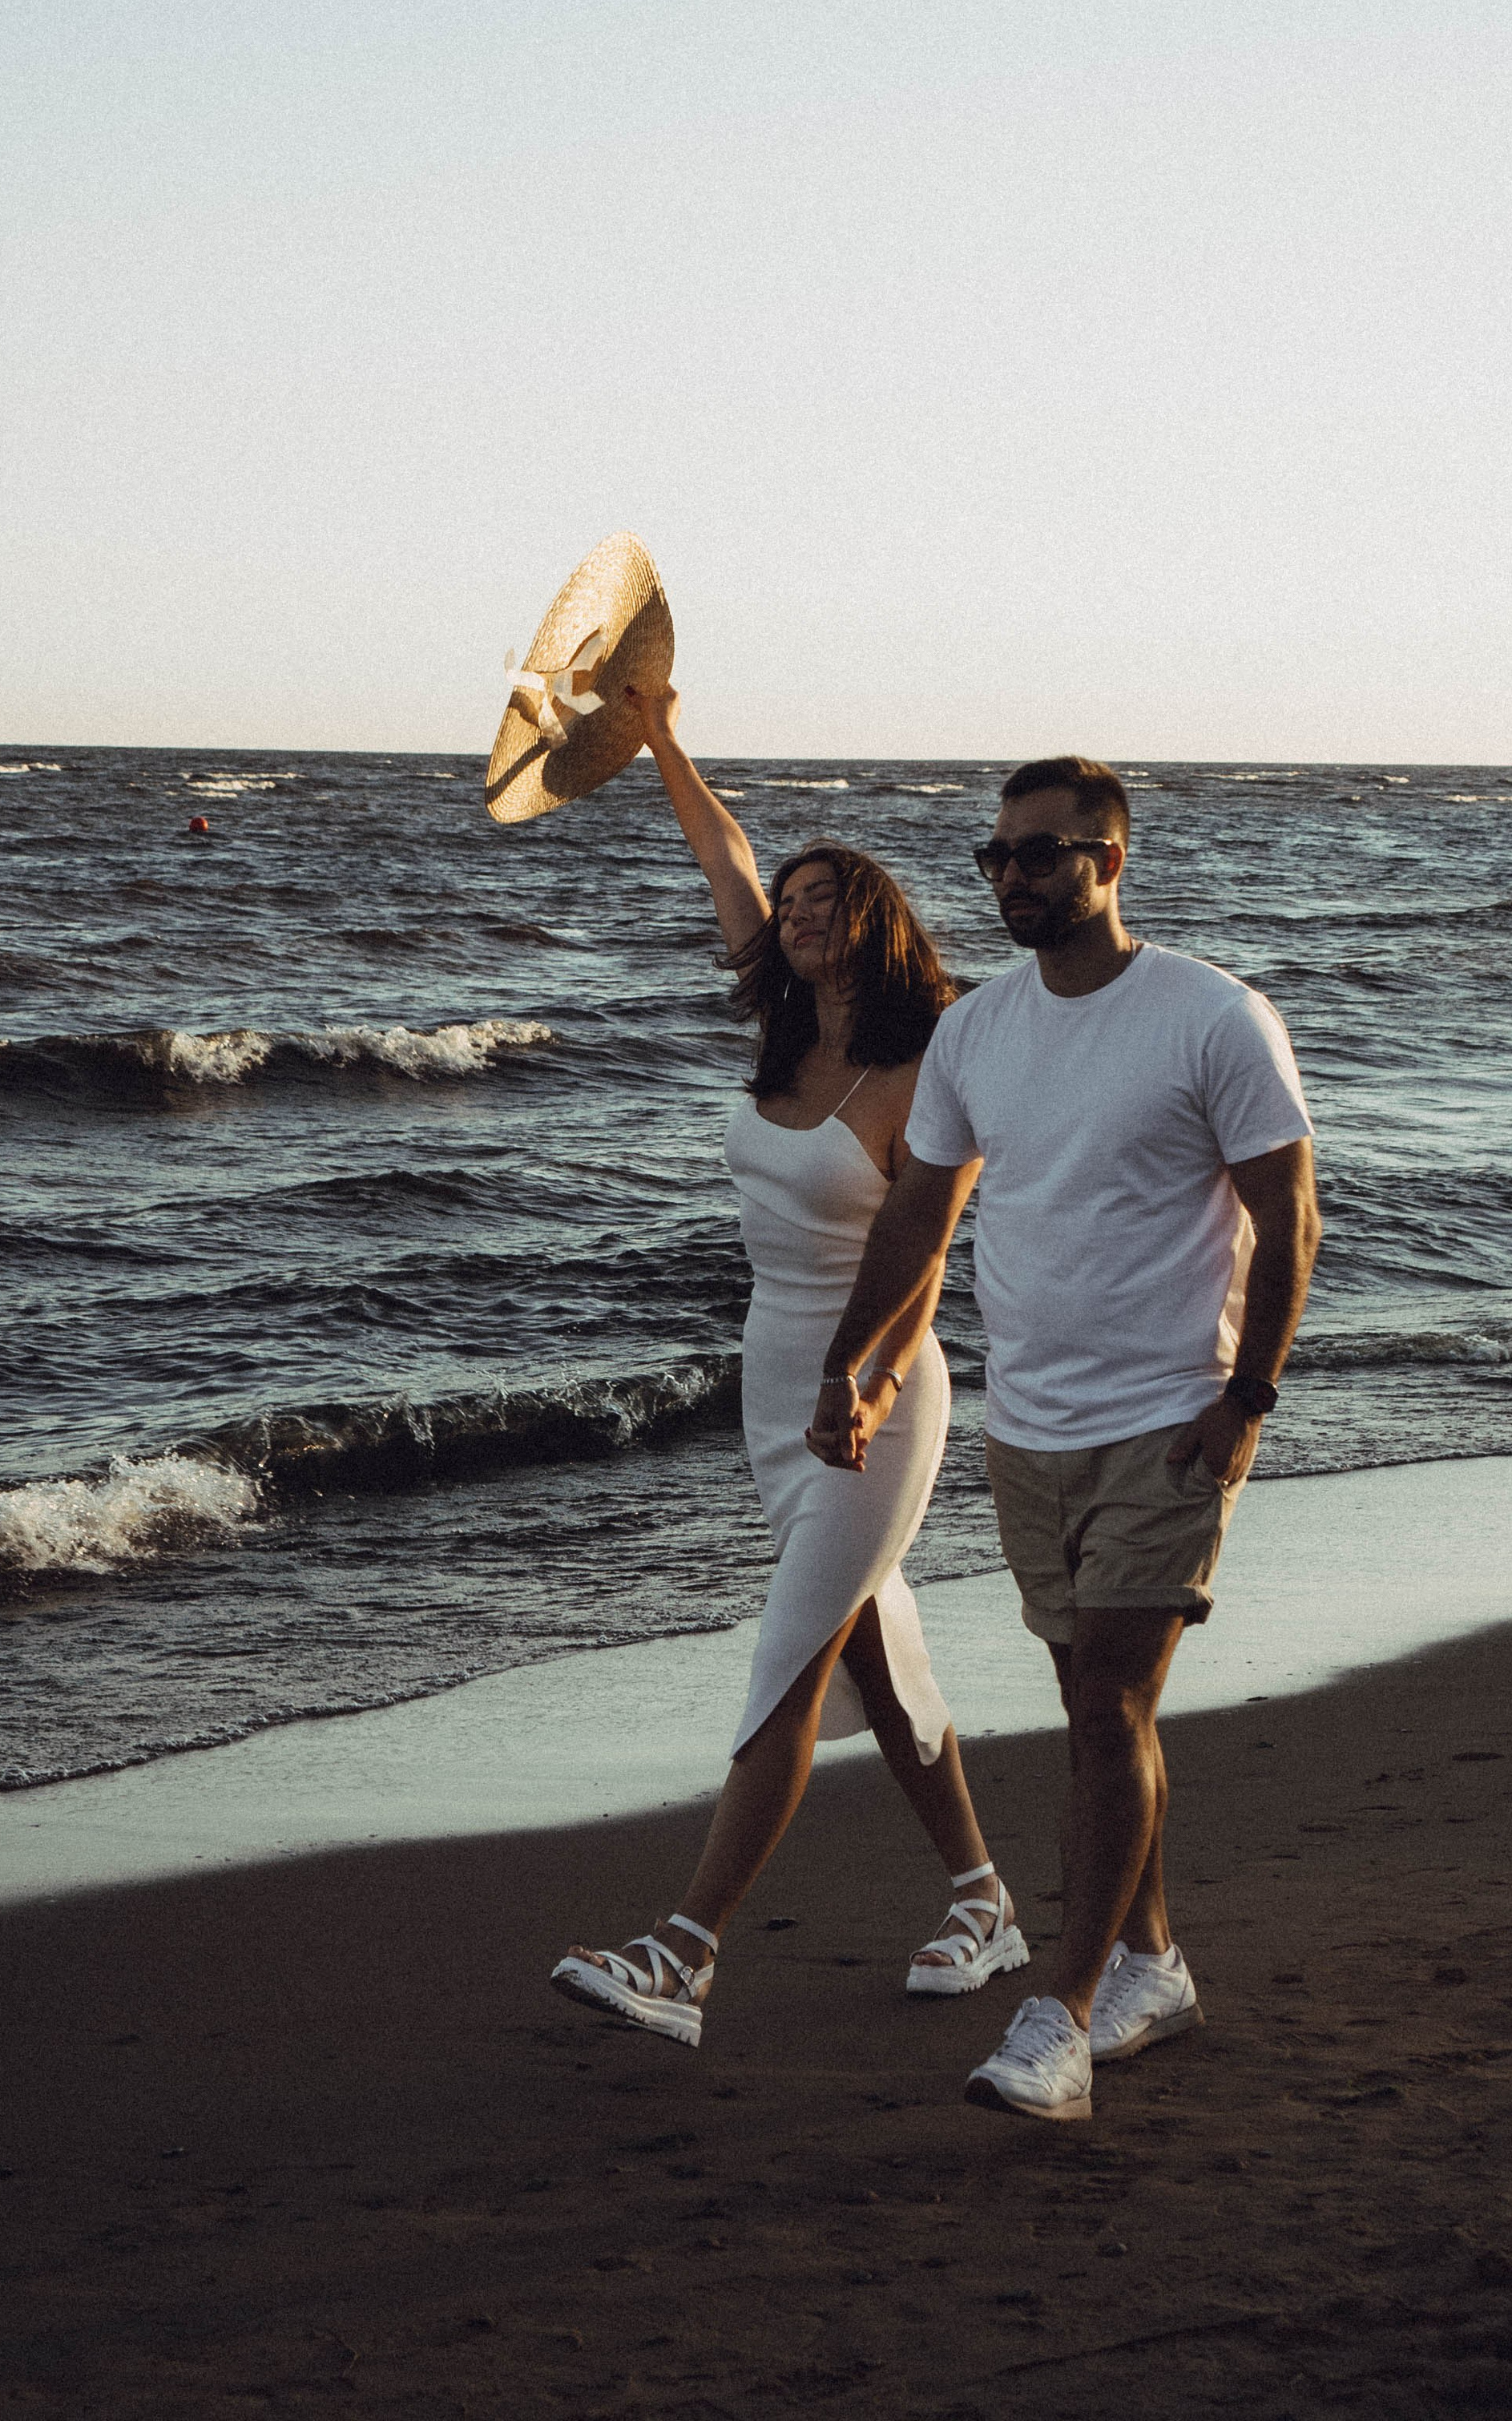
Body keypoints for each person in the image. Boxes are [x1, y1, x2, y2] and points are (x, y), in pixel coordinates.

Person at [816, 756, 1320, 2122]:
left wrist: (1245, 1403)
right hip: (1025, 1426)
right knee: (1096, 1707)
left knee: (1107, 1707)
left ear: (1109, 859)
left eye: (1038, 855)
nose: (1011, 879)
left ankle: (1066, 2015)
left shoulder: (1213, 1017)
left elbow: (1290, 1222)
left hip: (1167, 1421)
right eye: (996, 858)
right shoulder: (978, 1032)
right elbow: (920, 1215)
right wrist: (855, 1365)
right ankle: (1153, 1960)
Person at [550, 686, 1026, 2045]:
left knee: (793, 1654)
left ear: (869, 921)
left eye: (827, 900)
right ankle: (985, 1900)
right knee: (876, 1649)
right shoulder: (782, 1024)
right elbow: (725, 858)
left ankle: (685, 1956)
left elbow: (927, 1245)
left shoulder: (925, 1063)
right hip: (774, 1385)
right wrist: (655, 740)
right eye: (796, 898)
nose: (799, 912)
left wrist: (867, 1376)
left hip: (875, 1397)